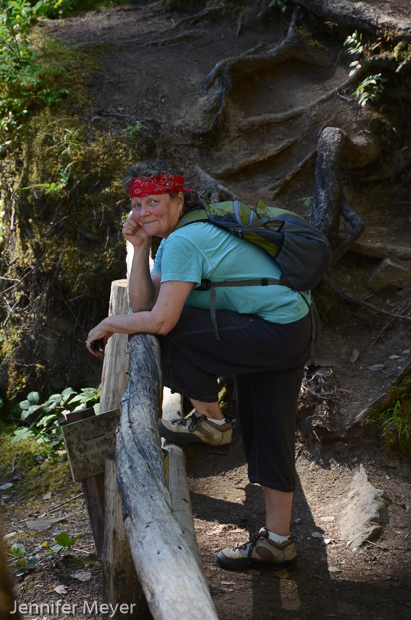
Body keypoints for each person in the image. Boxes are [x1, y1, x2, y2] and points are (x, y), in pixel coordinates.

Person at [86, 159, 312, 571]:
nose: (143, 213)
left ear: (178, 199)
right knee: (268, 427)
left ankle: (211, 423)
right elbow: (144, 302)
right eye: (136, 204)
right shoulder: (180, 235)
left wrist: (108, 324)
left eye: (153, 201)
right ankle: (278, 541)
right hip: (287, 325)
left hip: (273, 331)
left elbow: (158, 321)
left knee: (167, 333)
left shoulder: (184, 241)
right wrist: (140, 248)